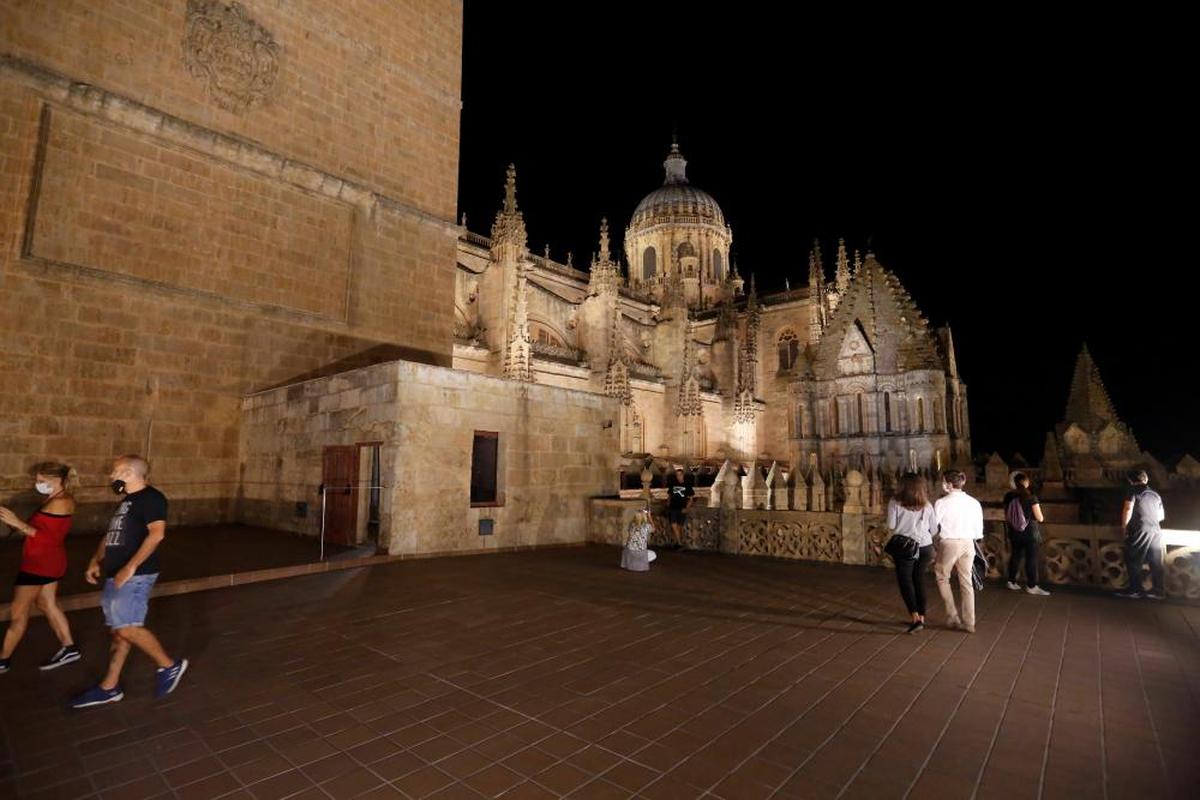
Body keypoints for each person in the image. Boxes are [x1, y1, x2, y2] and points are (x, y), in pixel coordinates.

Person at [69, 456, 187, 708]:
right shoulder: (127, 502)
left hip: (135, 576)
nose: (112, 477)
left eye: (115, 472)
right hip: (116, 573)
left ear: (129, 472)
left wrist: (130, 567)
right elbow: (112, 535)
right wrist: (95, 559)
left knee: (127, 628)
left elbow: (157, 534)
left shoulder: (152, 498)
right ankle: (109, 687)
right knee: (119, 633)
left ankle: (169, 666)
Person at [0, 462, 81, 674]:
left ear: (57, 481)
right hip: (46, 561)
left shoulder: (61, 502)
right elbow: (39, 530)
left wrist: (18, 523)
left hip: (40, 564)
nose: (37, 484)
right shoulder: (54, 499)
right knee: (47, 603)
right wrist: (15, 524)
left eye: (41, 481)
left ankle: (3, 660)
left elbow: (49, 538)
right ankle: (69, 647)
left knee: (18, 613)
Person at [933, 469, 984, 633]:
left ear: (948, 484)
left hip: (949, 542)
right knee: (966, 582)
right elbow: (978, 530)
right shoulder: (974, 502)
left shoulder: (942, 502)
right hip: (969, 543)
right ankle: (970, 622)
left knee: (942, 577)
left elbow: (934, 526)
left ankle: (953, 615)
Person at [886, 473, 935, 634]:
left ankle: (915, 617)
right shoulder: (927, 505)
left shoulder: (895, 502)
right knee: (919, 580)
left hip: (905, 547)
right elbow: (934, 530)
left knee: (905, 581)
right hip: (925, 547)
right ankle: (922, 616)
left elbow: (891, 525)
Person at [1115, 470, 1166, 600]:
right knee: (1155, 561)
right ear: (1146, 479)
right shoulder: (1155, 494)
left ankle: (1135, 589)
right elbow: (1161, 516)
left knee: (1133, 559)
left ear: (1131, 480)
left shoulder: (1133, 491)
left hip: (1140, 529)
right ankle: (1158, 591)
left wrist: (1124, 527)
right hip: (1156, 529)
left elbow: (1128, 509)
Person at [1003, 472, 1049, 595]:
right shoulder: (1031, 497)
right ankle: (1031, 586)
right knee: (1031, 559)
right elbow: (1040, 518)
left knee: (1015, 556)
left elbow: (1007, 514)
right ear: (1025, 482)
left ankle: (1011, 581)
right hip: (1029, 533)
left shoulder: (1008, 496)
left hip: (1014, 532)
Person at [620, 508, 658, 572]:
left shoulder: (631, 525)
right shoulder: (646, 526)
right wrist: (650, 517)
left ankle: (626, 564)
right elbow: (654, 529)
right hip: (641, 552)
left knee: (625, 548)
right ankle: (641, 562)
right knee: (653, 554)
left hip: (630, 550)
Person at [666, 466, 694, 549]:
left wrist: (687, 508)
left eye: (680, 475)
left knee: (679, 526)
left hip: (682, 507)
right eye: (677, 475)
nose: (678, 476)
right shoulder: (672, 485)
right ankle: (679, 542)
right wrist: (668, 504)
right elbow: (669, 496)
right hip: (673, 507)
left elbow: (691, 499)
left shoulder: (687, 485)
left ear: (683, 475)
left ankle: (677, 543)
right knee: (673, 524)